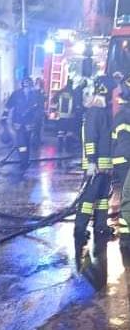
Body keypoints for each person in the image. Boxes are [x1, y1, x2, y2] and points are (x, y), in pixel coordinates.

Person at [74, 75, 115, 271]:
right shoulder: (94, 113)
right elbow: (91, 138)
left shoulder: (105, 112)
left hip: (105, 166)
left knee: (102, 199)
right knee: (88, 199)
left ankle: (100, 225)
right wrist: (91, 162)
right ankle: (80, 229)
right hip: (96, 165)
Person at [2, 77, 39, 171]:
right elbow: (8, 105)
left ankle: (26, 159)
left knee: (27, 142)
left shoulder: (35, 95)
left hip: (29, 123)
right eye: (25, 87)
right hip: (18, 123)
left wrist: (36, 121)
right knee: (21, 143)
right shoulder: (16, 94)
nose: (27, 89)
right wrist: (4, 116)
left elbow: (38, 109)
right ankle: (23, 161)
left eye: (28, 87)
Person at [112, 73, 130, 261]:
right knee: (128, 197)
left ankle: (126, 236)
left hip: (123, 160)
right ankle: (126, 237)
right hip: (125, 161)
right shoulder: (124, 115)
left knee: (127, 197)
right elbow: (123, 143)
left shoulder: (122, 114)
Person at [32, 77, 46, 147]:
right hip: (36, 113)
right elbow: (42, 100)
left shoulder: (39, 91)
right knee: (36, 128)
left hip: (38, 112)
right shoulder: (37, 91)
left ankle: (36, 141)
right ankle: (35, 142)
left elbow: (44, 100)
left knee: (37, 128)